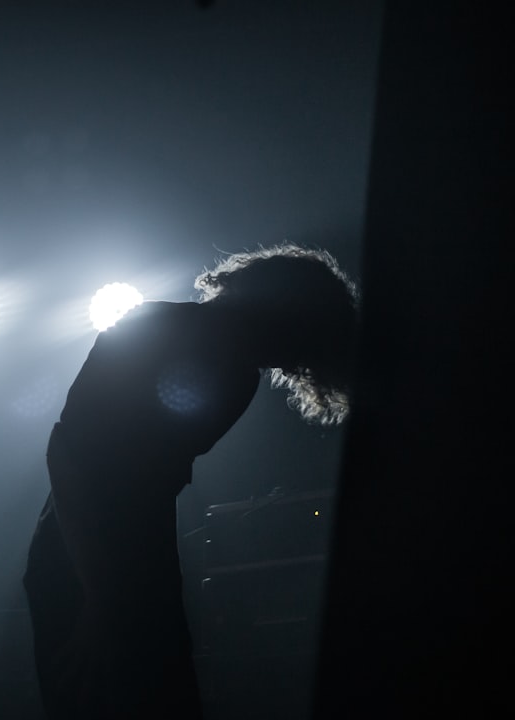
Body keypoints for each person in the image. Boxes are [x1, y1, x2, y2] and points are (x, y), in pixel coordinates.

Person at [23, 243, 360, 719]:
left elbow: (113, 471)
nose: (291, 365)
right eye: (298, 345)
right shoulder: (174, 340)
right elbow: (72, 459)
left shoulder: (236, 376)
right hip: (87, 551)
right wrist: (102, 596)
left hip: (115, 551)